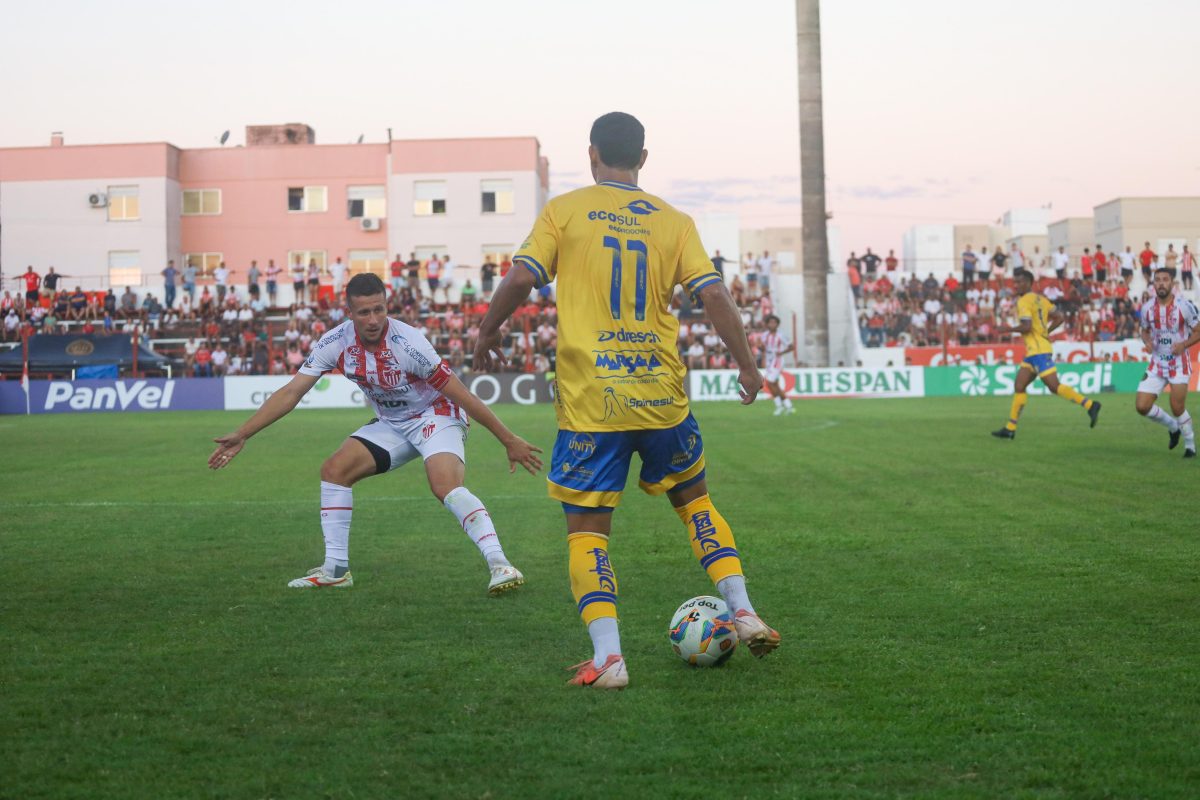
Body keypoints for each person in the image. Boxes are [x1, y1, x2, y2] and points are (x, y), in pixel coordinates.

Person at [472, 111, 780, 690]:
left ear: (592, 154)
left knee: (588, 532)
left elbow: (519, 279)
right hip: (663, 396)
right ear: (644, 157)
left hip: (595, 404)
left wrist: (487, 332)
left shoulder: (565, 210)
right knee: (697, 505)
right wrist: (746, 363)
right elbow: (712, 293)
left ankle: (610, 658)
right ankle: (743, 610)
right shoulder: (675, 221)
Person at [208, 273, 542, 594]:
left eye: (379, 309)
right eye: (364, 311)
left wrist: (508, 438)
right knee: (334, 471)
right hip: (393, 422)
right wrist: (243, 434)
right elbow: (291, 392)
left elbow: (462, 395)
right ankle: (336, 571)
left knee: (444, 486)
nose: (373, 319)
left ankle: (501, 564)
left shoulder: (409, 343)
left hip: (435, 415)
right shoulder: (335, 342)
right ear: (349, 312)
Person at [991, 269, 1102, 439]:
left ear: (1029, 283)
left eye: (1020, 282)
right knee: (1019, 385)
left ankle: (1089, 404)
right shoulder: (1041, 299)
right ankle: (1010, 428)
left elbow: (1027, 326)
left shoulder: (1023, 301)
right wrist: (1046, 332)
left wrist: (1007, 329)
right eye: (1015, 282)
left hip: (1039, 352)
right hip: (1034, 351)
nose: (1016, 285)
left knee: (1054, 386)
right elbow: (1059, 317)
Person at [1134, 267, 1200, 458]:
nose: (1161, 283)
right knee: (1142, 406)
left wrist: (1184, 344)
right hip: (1157, 363)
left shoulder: (1184, 306)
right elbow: (1144, 330)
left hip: (1179, 363)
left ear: (1172, 283)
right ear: (1153, 284)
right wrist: (1147, 341)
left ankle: (1190, 446)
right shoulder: (1147, 308)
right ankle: (1173, 427)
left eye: (1165, 279)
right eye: (1157, 280)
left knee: (1177, 407)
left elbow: (1198, 330)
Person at [761, 314, 795, 416]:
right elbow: (763, 348)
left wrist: (782, 352)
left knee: (769, 382)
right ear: (767, 324)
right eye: (770, 322)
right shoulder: (765, 335)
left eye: (775, 322)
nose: (773, 324)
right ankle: (788, 406)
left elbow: (791, 347)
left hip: (778, 360)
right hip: (769, 360)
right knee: (774, 384)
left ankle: (780, 406)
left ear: (777, 324)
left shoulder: (781, 335)